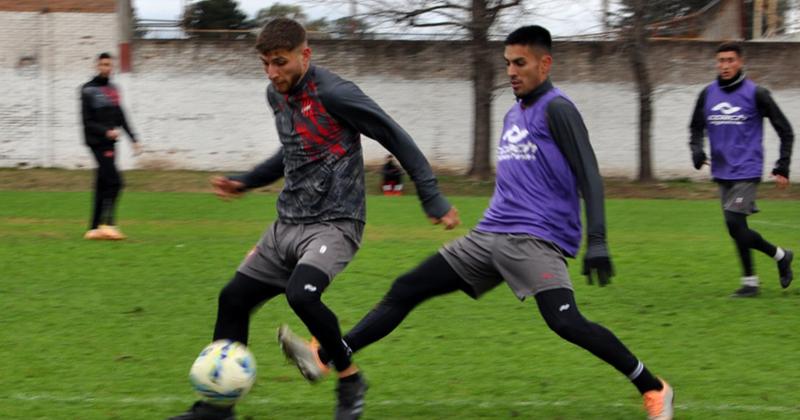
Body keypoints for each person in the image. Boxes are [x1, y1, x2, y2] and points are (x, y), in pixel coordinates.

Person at [280, 25, 674, 420]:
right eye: (507, 64)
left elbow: (589, 173)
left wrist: (599, 239)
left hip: (536, 239)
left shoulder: (559, 108)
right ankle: (326, 355)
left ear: (545, 63)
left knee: (565, 321)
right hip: (488, 235)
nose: (512, 71)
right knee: (406, 288)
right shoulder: (512, 113)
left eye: (520, 63)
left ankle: (654, 388)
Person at [169, 18, 460, 420]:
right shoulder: (277, 95)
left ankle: (349, 378)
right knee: (232, 298)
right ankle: (218, 409)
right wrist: (246, 182)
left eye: (280, 62)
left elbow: (395, 136)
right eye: (265, 64)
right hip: (286, 224)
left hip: (336, 223)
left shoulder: (336, 94)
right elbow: (292, 152)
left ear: (305, 55)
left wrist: (431, 196)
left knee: (302, 294)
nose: (273, 73)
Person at [689, 42, 794, 298]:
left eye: (730, 60)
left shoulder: (757, 93)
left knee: (734, 222)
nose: (724, 66)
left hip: (747, 170)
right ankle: (751, 282)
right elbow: (695, 127)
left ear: (740, 62)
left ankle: (779, 255)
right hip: (723, 170)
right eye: (721, 61)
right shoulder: (707, 94)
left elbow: (786, 130)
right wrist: (697, 151)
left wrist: (782, 165)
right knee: (737, 228)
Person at [81, 52, 142, 240]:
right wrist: (105, 131)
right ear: (97, 66)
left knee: (102, 183)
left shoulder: (114, 90)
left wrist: (133, 138)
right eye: (103, 64)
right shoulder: (87, 90)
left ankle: (93, 229)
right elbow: (87, 121)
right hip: (97, 142)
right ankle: (108, 224)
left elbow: (121, 116)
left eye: (109, 65)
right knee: (116, 182)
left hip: (110, 142)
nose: (107, 68)